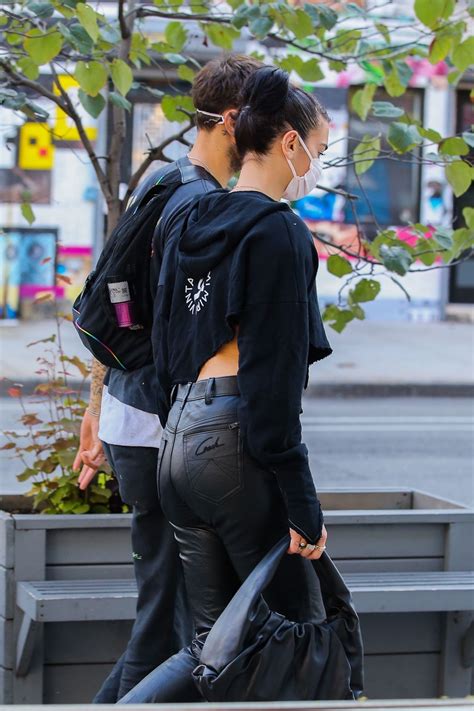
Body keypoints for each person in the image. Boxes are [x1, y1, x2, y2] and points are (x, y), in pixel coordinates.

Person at [120, 65, 333, 703]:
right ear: (289, 143)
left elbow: (166, 342)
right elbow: (273, 387)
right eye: (319, 152)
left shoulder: (192, 219)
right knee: (300, 636)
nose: (318, 167)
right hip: (239, 446)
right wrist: (303, 502)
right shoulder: (280, 232)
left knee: (211, 644)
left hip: (180, 443)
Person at [71, 54, 263, 702]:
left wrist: (97, 406)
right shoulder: (198, 205)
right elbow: (184, 335)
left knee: (167, 619)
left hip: (135, 418)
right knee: (168, 629)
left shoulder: (165, 182)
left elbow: (113, 305)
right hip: (163, 431)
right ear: (235, 120)